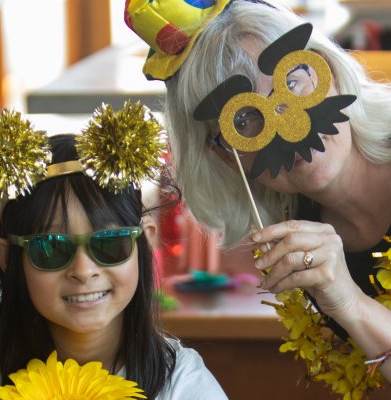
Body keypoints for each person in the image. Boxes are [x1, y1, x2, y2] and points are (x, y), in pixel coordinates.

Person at [124, 0, 391, 395]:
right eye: (245, 119)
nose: (288, 125)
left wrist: (351, 302)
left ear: (329, 72)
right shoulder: (295, 237)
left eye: (292, 82)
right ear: (225, 158)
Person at [0, 106, 228, 399]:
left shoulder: (183, 386)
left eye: (109, 243)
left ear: (145, 240)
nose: (83, 270)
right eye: (51, 247)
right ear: (6, 257)